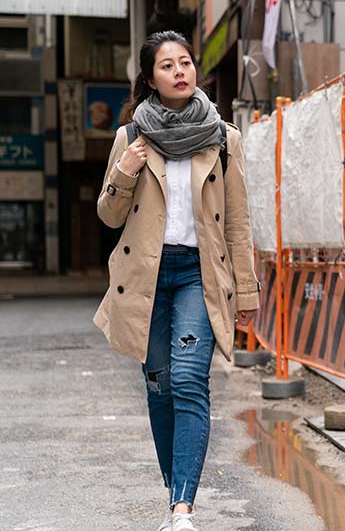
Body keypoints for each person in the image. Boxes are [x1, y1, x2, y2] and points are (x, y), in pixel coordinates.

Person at [93, 30, 259, 531]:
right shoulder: (130, 138)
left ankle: (182, 510)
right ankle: (176, 495)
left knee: (189, 381)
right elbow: (106, 214)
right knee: (160, 386)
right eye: (167, 66)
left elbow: (237, 222)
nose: (180, 72)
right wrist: (124, 171)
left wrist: (246, 291)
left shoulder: (222, 138)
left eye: (185, 62)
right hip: (147, 277)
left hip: (199, 276)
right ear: (149, 79)